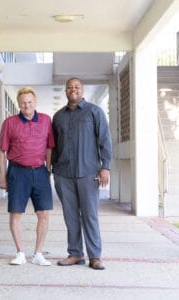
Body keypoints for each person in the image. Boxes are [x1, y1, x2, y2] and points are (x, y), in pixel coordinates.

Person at [52, 78, 112, 270]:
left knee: (90, 215)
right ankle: (75, 254)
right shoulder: (58, 116)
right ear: (65, 91)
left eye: (76, 87)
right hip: (63, 173)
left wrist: (105, 167)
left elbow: (105, 140)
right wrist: (52, 166)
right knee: (70, 216)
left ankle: (95, 256)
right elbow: (53, 145)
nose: (73, 89)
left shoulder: (94, 112)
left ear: (82, 90)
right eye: (69, 87)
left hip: (88, 173)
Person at [0, 87, 54, 266]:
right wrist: (2, 176)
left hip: (40, 171)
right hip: (17, 172)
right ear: (19, 104)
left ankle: (38, 253)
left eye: (29, 102)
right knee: (15, 214)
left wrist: (48, 169)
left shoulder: (46, 120)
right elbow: (1, 150)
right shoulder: (9, 122)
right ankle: (20, 252)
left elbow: (49, 147)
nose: (26, 105)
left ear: (35, 102)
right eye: (23, 103)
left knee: (43, 214)